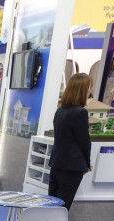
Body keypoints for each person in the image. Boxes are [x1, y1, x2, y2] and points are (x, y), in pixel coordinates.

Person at [49, 73, 92, 211]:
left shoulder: (60, 111)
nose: (90, 92)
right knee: (62, 207)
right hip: (72, 166)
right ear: (82, 90)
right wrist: (87, 162)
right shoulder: (80, 113)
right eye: (89, 88)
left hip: (57, 163)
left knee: (52, 204)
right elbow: (84, 141)